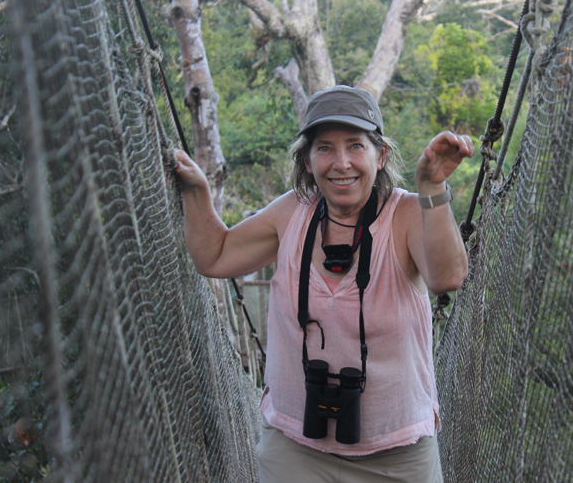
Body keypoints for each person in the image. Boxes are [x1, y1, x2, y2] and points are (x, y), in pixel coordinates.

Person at [174, 85, 474, 482]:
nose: (341, 163)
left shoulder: (404, 214)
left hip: (398, 455)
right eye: (325, 148)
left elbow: (448, 277)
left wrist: (432, 189)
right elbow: (215, 256)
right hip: (295, 448)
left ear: (380, 155)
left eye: (356, 146)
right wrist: (198, 192)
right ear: (307, 159)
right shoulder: (291, 213)